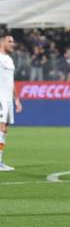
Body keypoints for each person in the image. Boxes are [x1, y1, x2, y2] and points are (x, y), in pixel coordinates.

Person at [0, 34, 23, 171]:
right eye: (10, 41)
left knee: (4, 130)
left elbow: (11, 81)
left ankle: (0, 160)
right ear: (2, 43)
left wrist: (17, 99)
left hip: (8, 99)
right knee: (1, 129)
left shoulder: (9, 59)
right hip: (0, 98)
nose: (13, 43)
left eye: (13, 41)